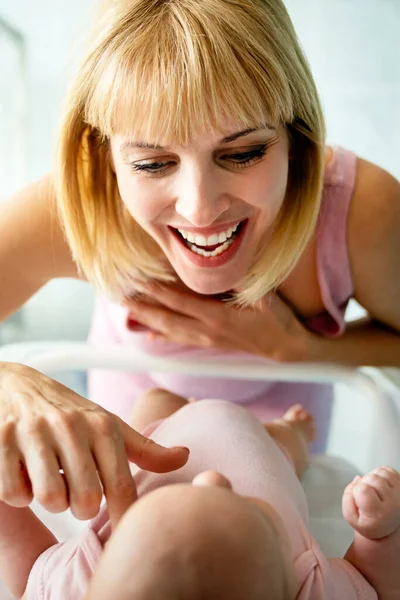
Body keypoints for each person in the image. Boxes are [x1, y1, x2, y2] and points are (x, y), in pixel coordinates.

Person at [0, 0, 400, 521]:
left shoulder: (358, 213)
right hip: (125, 469)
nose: (200, 207)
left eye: (243, 153)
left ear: (297, 138)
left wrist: (293, 348)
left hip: (291, 476)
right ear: (104, 156)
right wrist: (9, 380)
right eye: (152, 162)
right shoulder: (78, 207)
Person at [1, 387, 399, 599]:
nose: (210, 479)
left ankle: (168, 404)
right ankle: (294, 432)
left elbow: (26, 570)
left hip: (152, 441)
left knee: (153, 399)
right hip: (260, 441)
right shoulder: (309, 591)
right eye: (248, 509)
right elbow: (377, 585)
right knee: (287, 445)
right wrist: (377, 534)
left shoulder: (76, 584)